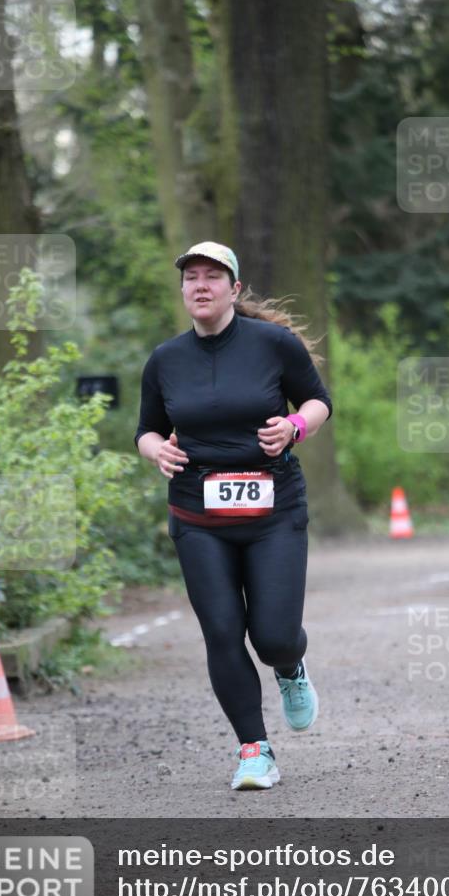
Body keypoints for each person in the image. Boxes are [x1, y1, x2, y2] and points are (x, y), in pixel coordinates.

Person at [134, 242, 332, 790]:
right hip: (198, 514)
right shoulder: (165, 360)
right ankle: (255, 751)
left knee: (272, 636)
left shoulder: (274, 344)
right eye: (191, 277)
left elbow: (318, 401)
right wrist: (156, 451)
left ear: (234, 289)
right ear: (183, 291)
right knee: (222, 632)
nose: (200, 285)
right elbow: (146, 429)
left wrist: (294, 427)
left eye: (212, 277)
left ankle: (290, 667)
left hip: (273, 511)